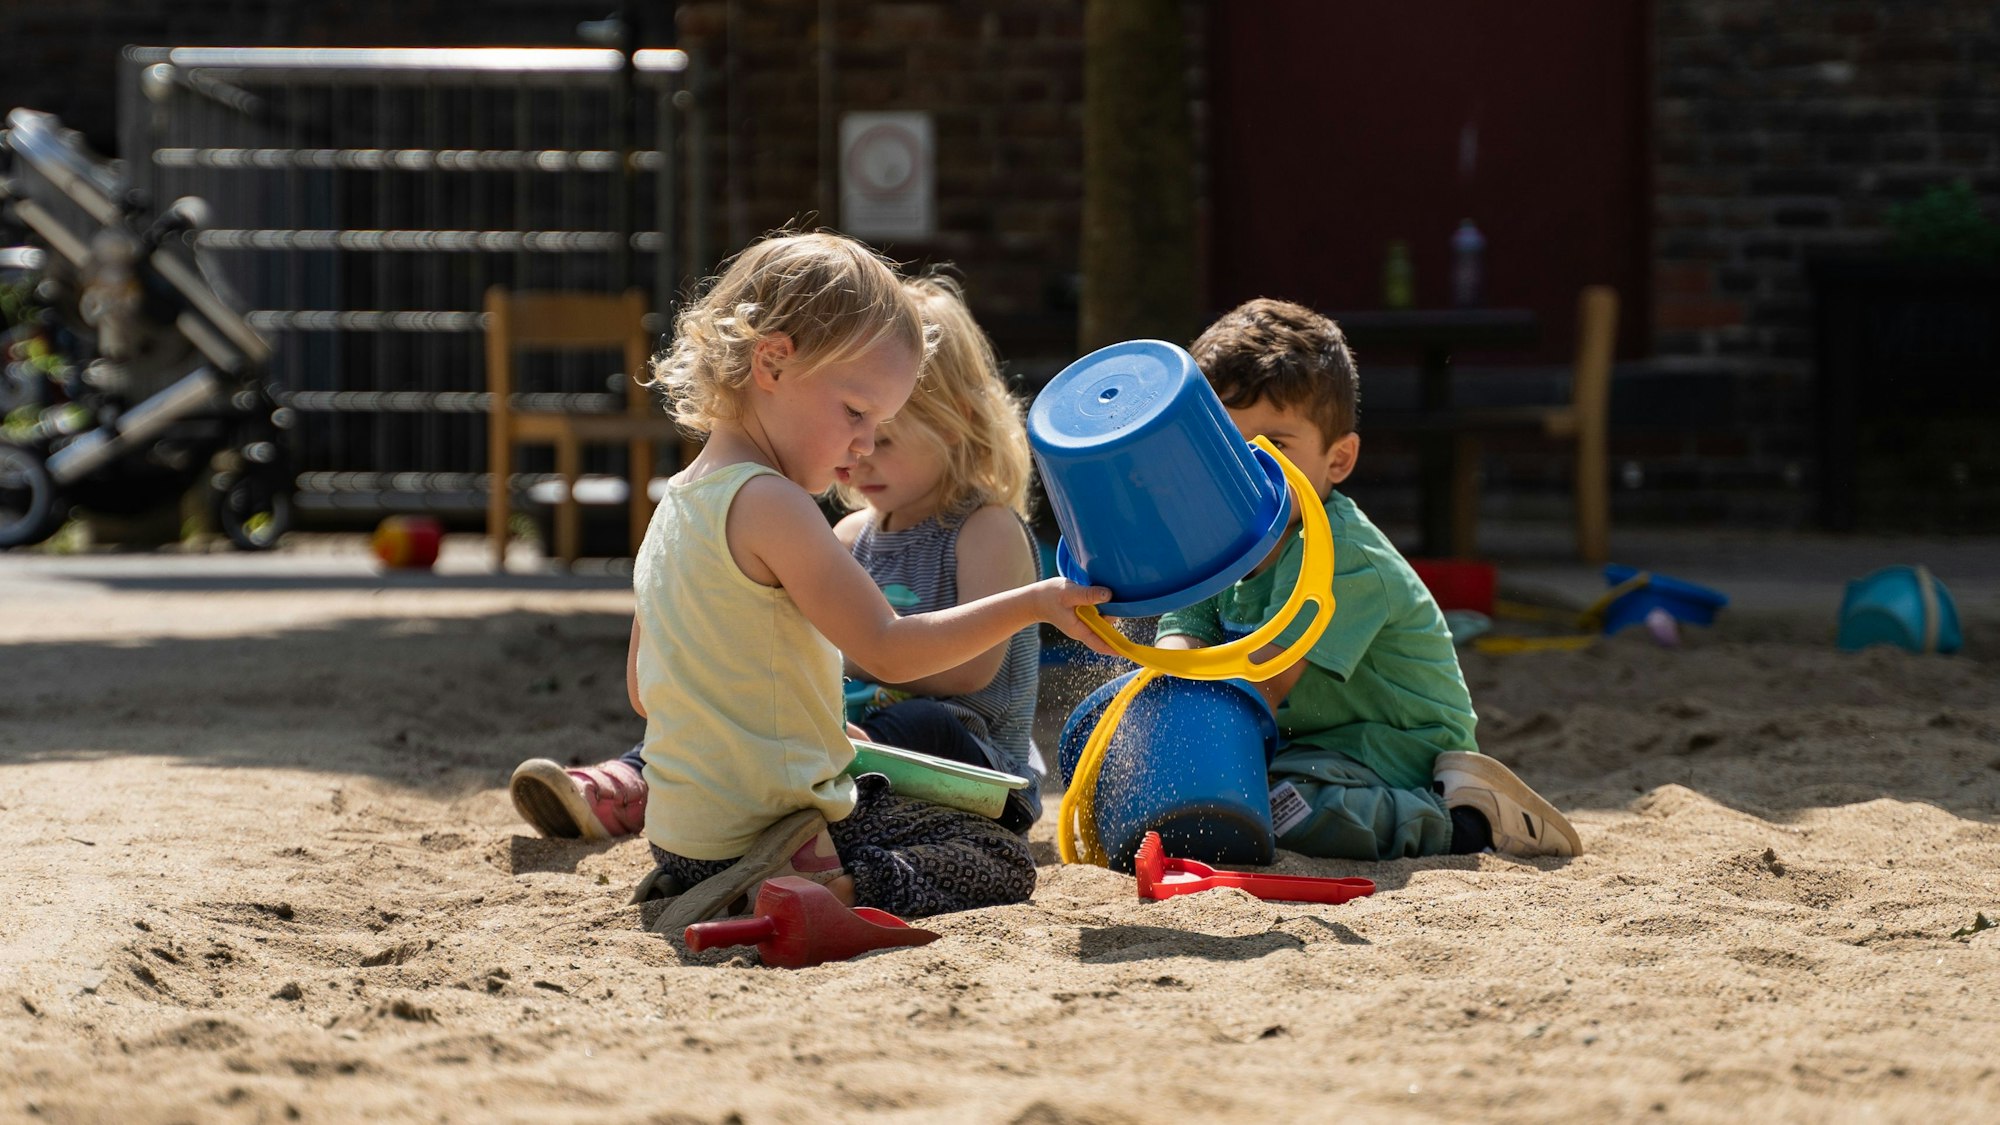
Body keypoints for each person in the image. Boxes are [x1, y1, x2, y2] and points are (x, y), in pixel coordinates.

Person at [604, 230, 1110, 936]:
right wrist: (1036, 603)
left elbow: (642, 687)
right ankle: (828, 886)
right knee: (998, 856)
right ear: (772, 363)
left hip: (682, 839)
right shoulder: (774, 503)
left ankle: (734, 877)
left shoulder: (676, 503)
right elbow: (889, 649)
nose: (864, 444)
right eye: (855, 412)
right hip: (774, 829)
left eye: (880, 424)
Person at [507, 274, 1049, 838]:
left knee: (918, 717)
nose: (860, 454)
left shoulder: (984, 529)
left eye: (883, 438)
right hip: (843, 743)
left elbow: (967, 672)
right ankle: (626, 782)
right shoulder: (848, 533)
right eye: (856, 422)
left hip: (968, 760)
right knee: (721, 709)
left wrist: (836, 656)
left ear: (958, 426)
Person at [1151, 298, 1582, 861]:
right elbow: (1183, 628)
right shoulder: (1218, 539)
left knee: (1284, 809)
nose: (1243, 468)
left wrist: (1181, 721)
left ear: (1339, 459)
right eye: (1224, 444)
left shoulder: (1339, 556)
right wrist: (1168, 684)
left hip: (1393, 752)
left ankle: (1470, 820)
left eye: (1274, 446)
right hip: (1306, 743)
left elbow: (1265, 682)